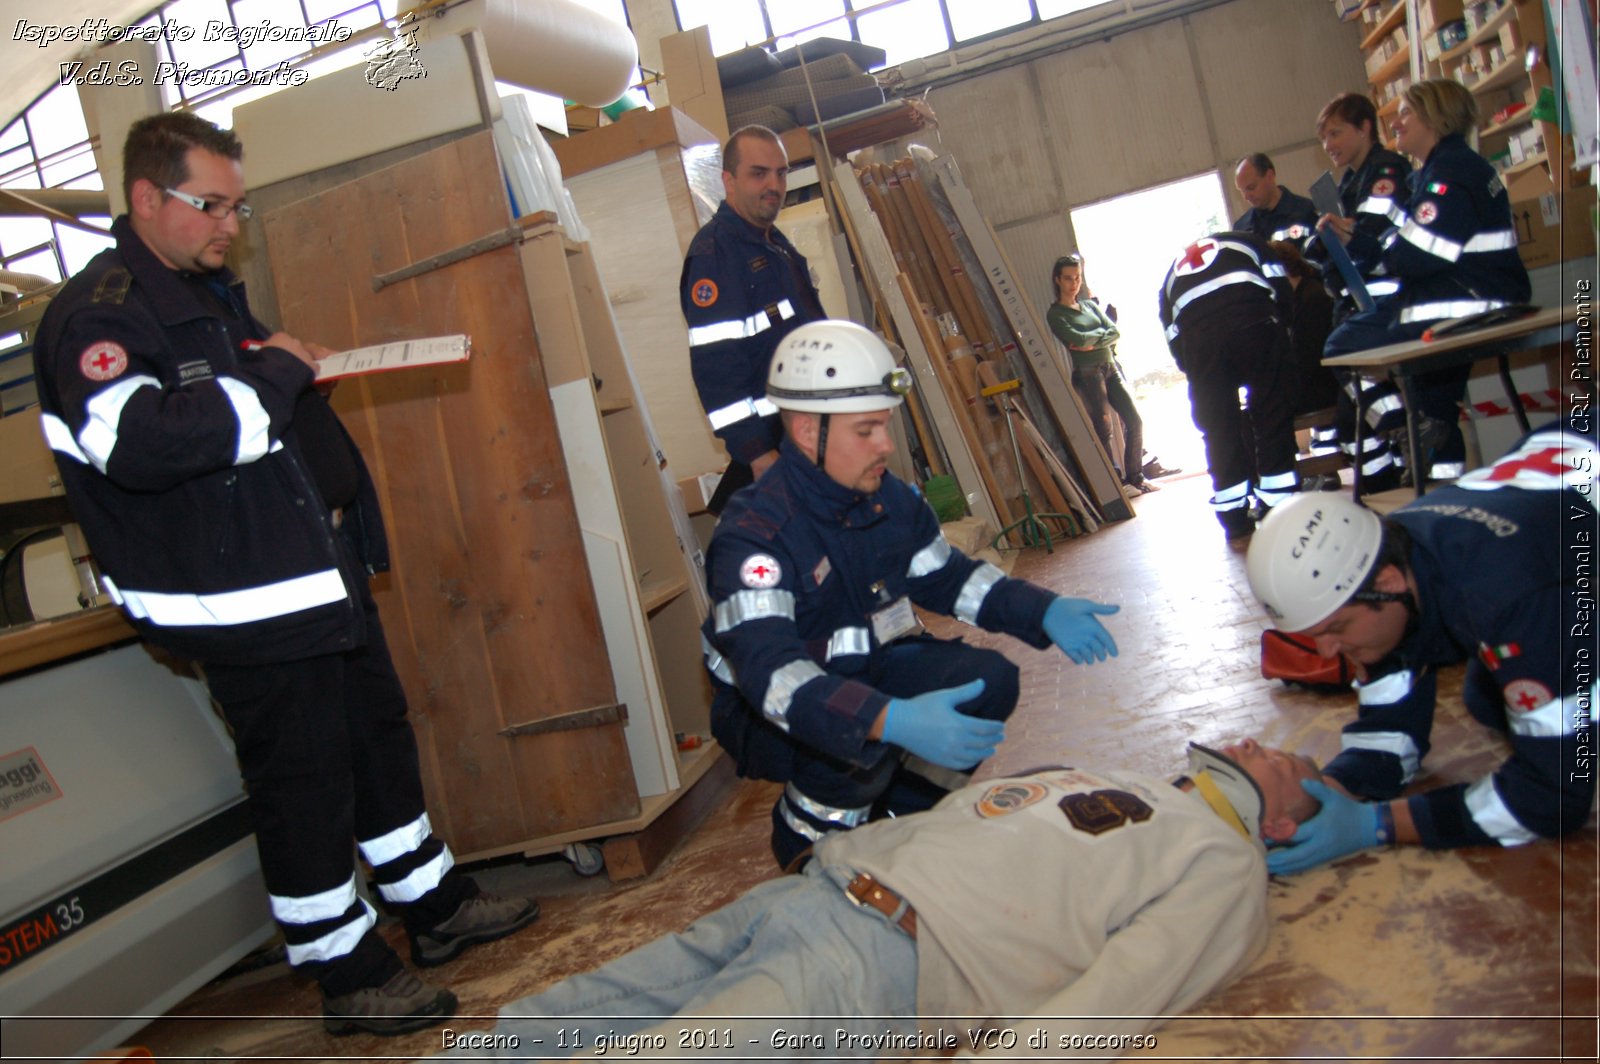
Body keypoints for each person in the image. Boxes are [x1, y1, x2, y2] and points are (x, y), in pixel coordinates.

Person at [31, 112, 537, 1036]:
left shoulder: (200, 291)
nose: (231, 225)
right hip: (243, 606)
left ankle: (431, 905)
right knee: (303, 781)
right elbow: (138, 443)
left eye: (239, 206)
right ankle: (345, 972)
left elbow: (244, 411)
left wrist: (289, 378)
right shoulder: (99, 316)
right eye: (211, 205)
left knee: (373, 742)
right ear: (148, 198)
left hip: (312, 575)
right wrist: (272, 380)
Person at [436, 739, 1321, 1061]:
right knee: (578, 1009)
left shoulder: (1224, 862)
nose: (1267, 742)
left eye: (1293, 763)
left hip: (880, 959)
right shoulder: (1128, 779)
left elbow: (1126, 990)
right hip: (812, 893)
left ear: (1284, 823)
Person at [702, 320, 1121, 868]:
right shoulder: (754, 537)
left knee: (988, 682)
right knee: (857, 736)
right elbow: (774, 677)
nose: (886, 445)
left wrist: (1042, 611)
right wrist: (888, 719)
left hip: (861, 664)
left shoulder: (887, 500)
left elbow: (949, 579)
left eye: (886, 426)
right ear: (808, 433)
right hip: (770, 711)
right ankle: (809, 844)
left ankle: (905, 817)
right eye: (867, 430)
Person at [1245, 418, 1596, 875]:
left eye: (1336, 629)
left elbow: (1552, 797)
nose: (1329, 652)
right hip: (1568, 468)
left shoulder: (1506, 599)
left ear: (1387, 584)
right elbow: (1390, 728)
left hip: (1557, 562)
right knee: (1488, 699)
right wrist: (1328, 794)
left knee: (1535, 701)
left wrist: (1379, 824)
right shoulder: (1385, 562)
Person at [1321, 79, 1531, 490]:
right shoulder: (1442, 169)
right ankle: (1431, 462)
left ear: (1435, 117)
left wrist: (1370, 246)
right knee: (1433, 402)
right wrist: (1360, 241)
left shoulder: (1449, 173)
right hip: (1465, 293)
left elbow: (1418, 255)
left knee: (1341, 347)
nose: (1396, 123)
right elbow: (1407, 247)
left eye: (1405, 113)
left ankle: (1406, 429)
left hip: (1462, 299)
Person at [680, 125, 827, 515]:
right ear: (728, 180)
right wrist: (758, 454)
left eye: (781, 173)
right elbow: (716, 367)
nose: (774, 185)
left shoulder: (773, 242)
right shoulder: (716, 256)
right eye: (759, 173)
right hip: (775, 448)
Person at [1158, 232, 1300, 545]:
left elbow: (1172, 335)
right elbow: (1282, 290)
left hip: (1200, 343)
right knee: (1269, 411)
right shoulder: (1250, 243)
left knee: (1219, 428)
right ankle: (1280, 505)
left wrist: (1197, 369)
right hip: (1254, 322)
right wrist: (1280, 329)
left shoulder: (1171, 276)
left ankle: (1234, 518)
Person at [1308, 92, 1414, 492]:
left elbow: (1370, 239)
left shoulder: (1386, 172)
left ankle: (1400, 428)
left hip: (1382, 296)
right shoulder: (1351, 181)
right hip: (1353, 298)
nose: (1329, 146)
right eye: (1324, 139)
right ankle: (1380, 482)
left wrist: (1342, 232)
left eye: (1336, 134)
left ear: (1365, 127)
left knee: (1345, 362)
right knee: (1354, 411)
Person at [1045, 252, 1157, 494]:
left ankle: (1136, 478)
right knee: (1103, 429)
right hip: (1087, 374)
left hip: (1110, 368)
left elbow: (1113, 331)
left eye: (1077, 278)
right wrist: (1098, 338)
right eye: (1068, 278)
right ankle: (1117, 485)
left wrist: (1091, 342)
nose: (1074, 283)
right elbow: (1076, 339)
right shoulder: (1056, 314)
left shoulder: (1088, 306)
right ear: (1057, 280)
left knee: (1135, 421)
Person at [1232, 152, 1319, 244]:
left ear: (1270, 176)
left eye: (1251, 188)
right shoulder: (1241, 229)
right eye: (1242, 191)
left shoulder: (1306, 212)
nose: (1246, 197)